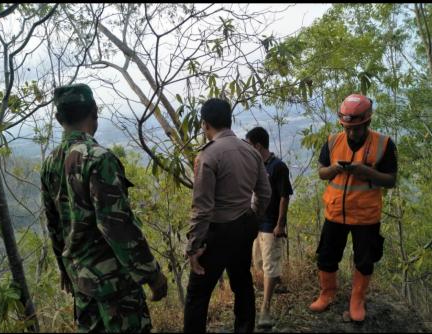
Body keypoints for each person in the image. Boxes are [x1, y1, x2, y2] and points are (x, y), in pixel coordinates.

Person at [41, 84, 168, 332]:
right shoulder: (98, 158)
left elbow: (53, 224)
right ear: (94, 112)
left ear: (58, 118)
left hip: (82, 283)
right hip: (115, 286)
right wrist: (152, 275)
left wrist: (65, 270)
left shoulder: (49, 163)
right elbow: (116, 226)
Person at [184, 98, 272, 333]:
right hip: (244, 225)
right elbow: (265, 192)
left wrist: (194, 247)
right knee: (242, 282)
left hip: (218, 231)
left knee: (198, 293)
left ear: (204, 125)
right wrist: (253, 215)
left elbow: (202, 208)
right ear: (229, 120)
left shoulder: (208, 156)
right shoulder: (251, 151)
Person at [309, 93, 398, 322]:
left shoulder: (383, 144)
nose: (351, 132)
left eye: (356, 128)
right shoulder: (332, 141)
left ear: (367, 122)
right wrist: (335, 169)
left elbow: (390, 180)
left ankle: (357, 299)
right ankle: (327, 293)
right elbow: (321, 172)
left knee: (364, 260)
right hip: (335, 212)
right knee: (327, 256)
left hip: (366, 216)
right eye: (347, 127)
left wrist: (367, 172)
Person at [245, 126, 293, 328]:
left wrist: (280, 224)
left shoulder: (278, 167)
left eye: (249, 145)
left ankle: (265, 309)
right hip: (256, 222)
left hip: (271, 223)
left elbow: (284, 196)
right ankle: (275, 280)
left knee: (269, 265)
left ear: (258, 145)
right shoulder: (255, 165)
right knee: (259, 262)